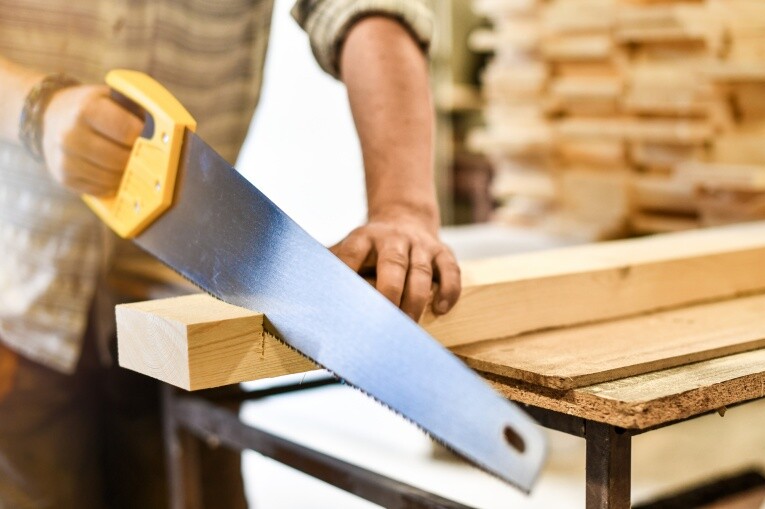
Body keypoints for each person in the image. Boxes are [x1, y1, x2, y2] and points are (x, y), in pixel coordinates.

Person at [0, 1, 461, 507]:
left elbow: (369, 9)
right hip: (14, 315)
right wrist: (34, 108)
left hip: (194, 329)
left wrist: (403, 206)